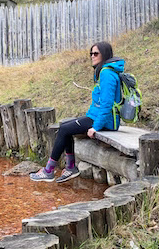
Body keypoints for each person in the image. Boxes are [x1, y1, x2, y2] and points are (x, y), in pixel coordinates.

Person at [30, 41, 125, 183]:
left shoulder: (107, 73)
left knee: (64, 129)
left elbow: (107, 104)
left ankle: (49, 170)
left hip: (105, 121)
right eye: (91, 53)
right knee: (66, 125)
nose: (92, 56)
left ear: (104, 54)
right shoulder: (104, 71)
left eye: (96, 53)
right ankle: (70, 167)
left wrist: (96, 127)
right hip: (98, 117)